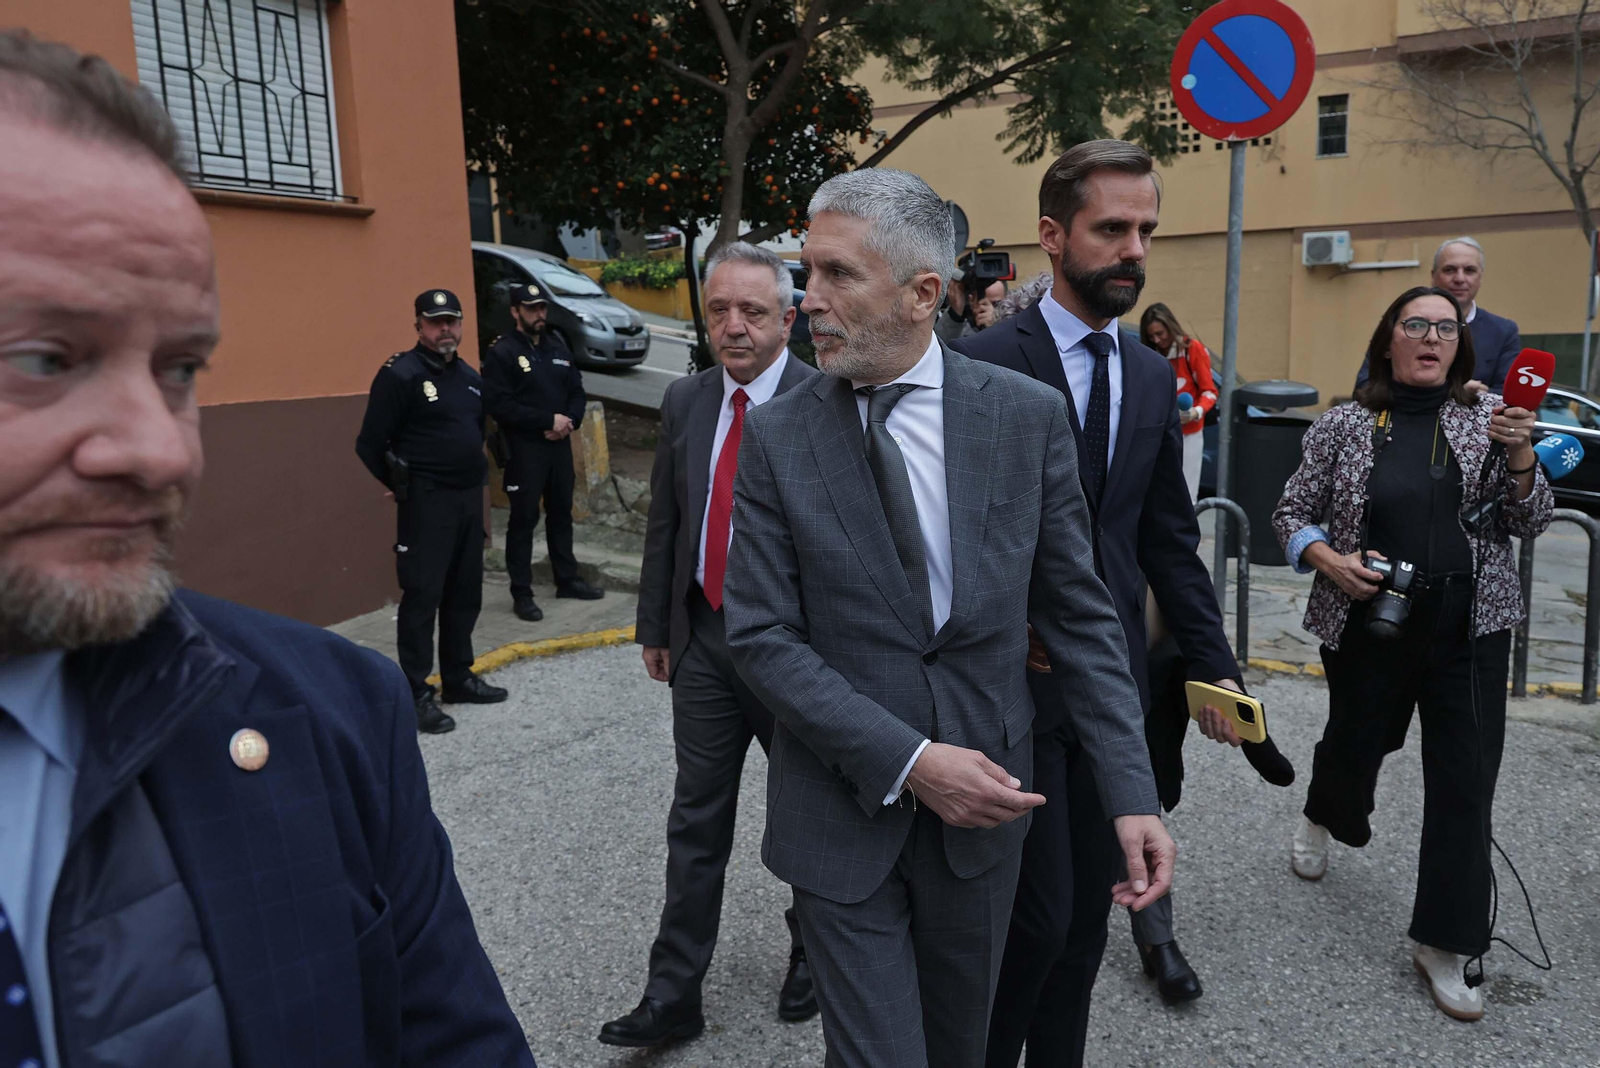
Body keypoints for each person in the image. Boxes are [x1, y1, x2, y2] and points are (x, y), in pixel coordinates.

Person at [0, 29, 535, 1067]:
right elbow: (376, 445)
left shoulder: (327, 720)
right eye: (42, 356)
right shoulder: (401, 374)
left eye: (181, 368)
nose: (160, 450)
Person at [722, 168, 1175, 1068]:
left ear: (924, 293)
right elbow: (760, 637)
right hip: (840, 816)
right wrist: (912, 761)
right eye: (807, 273)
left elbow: (1082, 621)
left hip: (986, 819)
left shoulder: (1022, 419)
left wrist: (1133, 795)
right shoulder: (779, 433)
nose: (807, 300)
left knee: (962, 1047)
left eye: (836, 276)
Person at [953, 140, 1293, 1067]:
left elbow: (1165, 539)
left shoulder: (1150, 375)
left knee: (1085, 930)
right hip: (1010, 696)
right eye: (1112, 229)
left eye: (1145, 230)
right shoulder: (980, 363)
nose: (1133, 250)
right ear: (1053, 237)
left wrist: (1214, 669)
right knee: (1035, 923)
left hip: (1113, 695)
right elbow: (946, 537)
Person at [1275, 285, 1552, 1022]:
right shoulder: (1345, 423)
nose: (1431, 336)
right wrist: (1328, 561)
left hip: (1472, 625)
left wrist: (1520, 450)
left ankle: (1444, 941)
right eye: (1415, 324)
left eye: (1445, 326)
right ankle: (1323, 812)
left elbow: (1532, 520)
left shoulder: (1485, 424)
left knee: (1467, 782)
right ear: (1389, 340)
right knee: (1356, 745)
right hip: (1372, 619)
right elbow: (1288, 514)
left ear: (1459, 344)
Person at [604, 242, 819, 1048]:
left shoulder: (827, 399)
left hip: (794, 654)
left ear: (788, 318)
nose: (733, 327)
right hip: (704, 639)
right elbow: (670, 518)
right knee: (696, 818)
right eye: (720, 309)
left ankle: (813, 950)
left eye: (753, 312)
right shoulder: (687, 400)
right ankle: (672, 993)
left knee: (806, 811)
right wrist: (657, 627)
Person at [355, 289, 508, 734]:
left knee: (465, 594)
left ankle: (458, 678)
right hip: (426, 503)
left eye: (452, 321)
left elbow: (475, 434)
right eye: (435, 321)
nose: (445, 329)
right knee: (422, 597)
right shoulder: (400, 375)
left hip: (466, 501)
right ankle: (417, 691)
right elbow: (369, 444)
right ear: (419, 325)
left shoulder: (470, 378)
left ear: (461, 324)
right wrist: (402, 487)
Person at [482, 282, 603, 623]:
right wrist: (545, 421)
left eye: (542, 308)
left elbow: (577, 392)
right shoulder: (502, 352)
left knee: (561, 514)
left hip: (559, 447)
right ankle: (522, 592)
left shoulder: (557, 346)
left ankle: (567, 579)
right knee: (523, 521)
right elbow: (499, 404)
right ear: (515, 311)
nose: (539, 314)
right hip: (524, 450)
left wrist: (569, 422)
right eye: (532, 308)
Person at [1353, 237, 1521, 394]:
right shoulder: (1400, 322)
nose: (1460, 278)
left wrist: (1471, 400)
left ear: (1480, 278)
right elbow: (1364, 387)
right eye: (1450, 270)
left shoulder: (1503, 331)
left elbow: (1510, 396)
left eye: (1469, 270)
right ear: (1433, 276)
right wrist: (1447, 392)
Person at [1139, 302, 1217, 503]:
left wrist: (1195, 412)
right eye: (1152, 336)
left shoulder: (1193, 350)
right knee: (1158, 493)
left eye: (1160, 333)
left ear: (1170, 326)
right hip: (1159, 432)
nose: (1157, 339)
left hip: (1189, 433)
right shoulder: (1151, 354)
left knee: (1186, 494)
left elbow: (1209, 391)